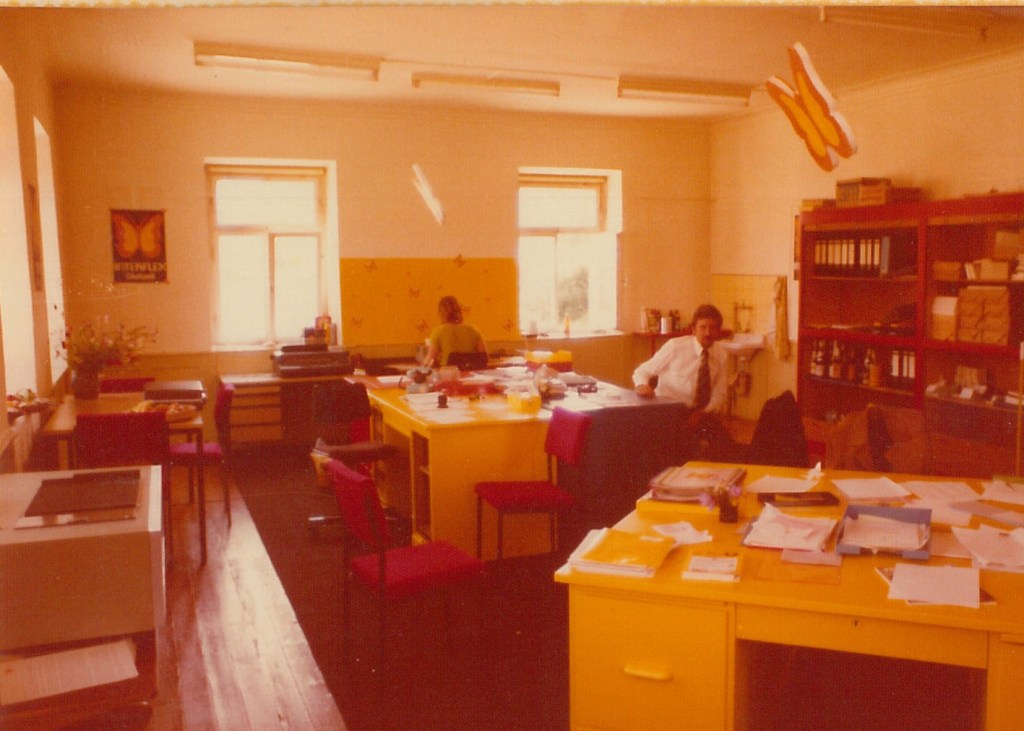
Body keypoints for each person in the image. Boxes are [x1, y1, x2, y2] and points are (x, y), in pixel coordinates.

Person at [632, 303, 728, 415]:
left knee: (721, 433)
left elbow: (720, 393)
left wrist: (701, 414)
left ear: (718, 331)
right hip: (668, 410)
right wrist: (642, 386)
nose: (708, 333)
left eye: (713, 328)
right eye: (703, 327)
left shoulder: (721, 354)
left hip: (701, 413)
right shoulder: (675, 347)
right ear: (694, 329)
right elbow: (642, 371)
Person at [424, 295, 488, 368]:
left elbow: (430, 360)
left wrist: (421, 365)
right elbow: (484, 357)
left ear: (441, 313)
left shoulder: (438, 331)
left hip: (448, 374)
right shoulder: (473, 330)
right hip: (470, 373)